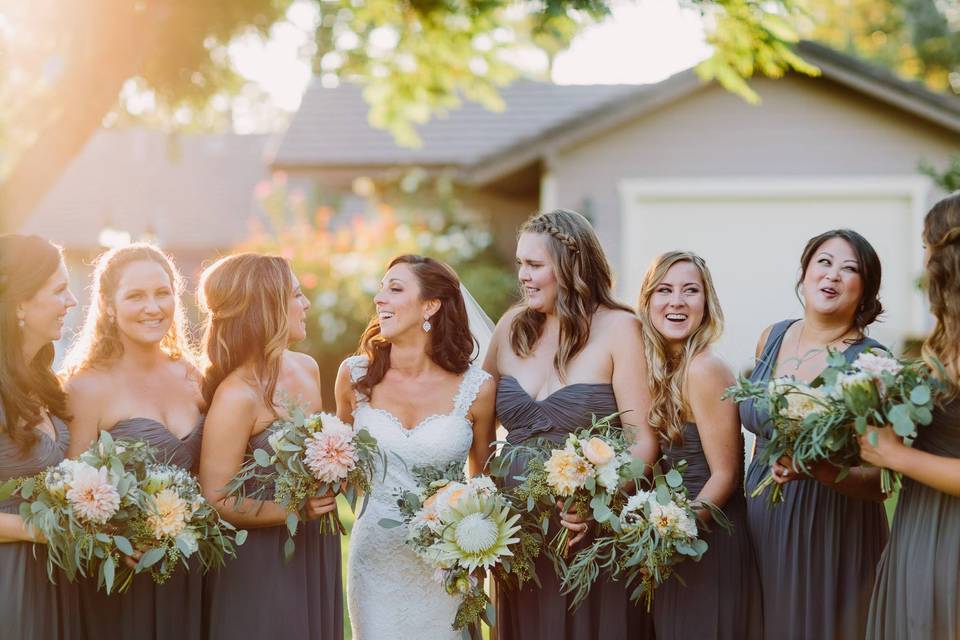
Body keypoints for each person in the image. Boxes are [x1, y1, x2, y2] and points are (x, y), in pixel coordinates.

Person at [484, 209, 657, 640]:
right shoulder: (510, 328)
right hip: (516, 536)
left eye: (535, 265)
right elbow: (476, 421)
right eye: (520, 263)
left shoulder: (620, 329)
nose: (522, 275)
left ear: (570, 266)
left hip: (588, 538)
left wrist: (597, 499)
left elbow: (643, 441)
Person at [336, 254, 495, 639]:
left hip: (444, 567)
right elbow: (336, 466)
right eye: (381, 288)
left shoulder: (477, 388)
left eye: (395, 288)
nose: (380, 298)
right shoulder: (355, 377)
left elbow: (484, 482)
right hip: (375, 562)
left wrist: (472, 545)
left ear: (430, 305)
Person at [740, 229, 888, 640]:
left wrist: (824, 472)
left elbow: (883, 481)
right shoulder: (771, 337)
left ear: (866, 289)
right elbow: (758, 437)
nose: (833, 275)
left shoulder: (873, 362)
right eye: (824, 262)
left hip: (829, 531)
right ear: (804, 273)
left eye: (849, 268)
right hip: (760, 521)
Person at [62, 243, 204, 639]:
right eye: (136, 296)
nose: (153, 307)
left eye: (162, 293)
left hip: (193, 568)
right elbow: (70, 496)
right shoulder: (87, 386)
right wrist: (114, 542)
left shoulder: (192, 376)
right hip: (121, 577)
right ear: (108, 305)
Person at [198, 253, 342, 640]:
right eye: (296, 295)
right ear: (267, 307)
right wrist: (294, 509)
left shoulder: (307, 368)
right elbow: (216, 497)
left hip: (313, 544)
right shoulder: (236, 396)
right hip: (261, 558)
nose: (306, 303)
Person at [637, 250, 762, 639]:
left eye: (690, 291)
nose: (676, 301)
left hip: (707, 539)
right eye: (665, 290)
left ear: (706, 305)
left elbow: (725, 476)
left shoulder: (705, 369)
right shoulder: (660, 368)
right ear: (648, 302)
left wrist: (672, 534)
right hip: (676, 538)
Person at [862, 192, 960, 638]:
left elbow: (895, 455)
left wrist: (896, 457)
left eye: (925, 246)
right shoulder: (941, 345)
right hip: (918, 529)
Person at [0, 234, 80, 639]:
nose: (73, 302)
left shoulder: (44, 383)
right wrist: (38, 529)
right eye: (60, 290)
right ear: (19, 304)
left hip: (51, 578)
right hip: (9, 581)